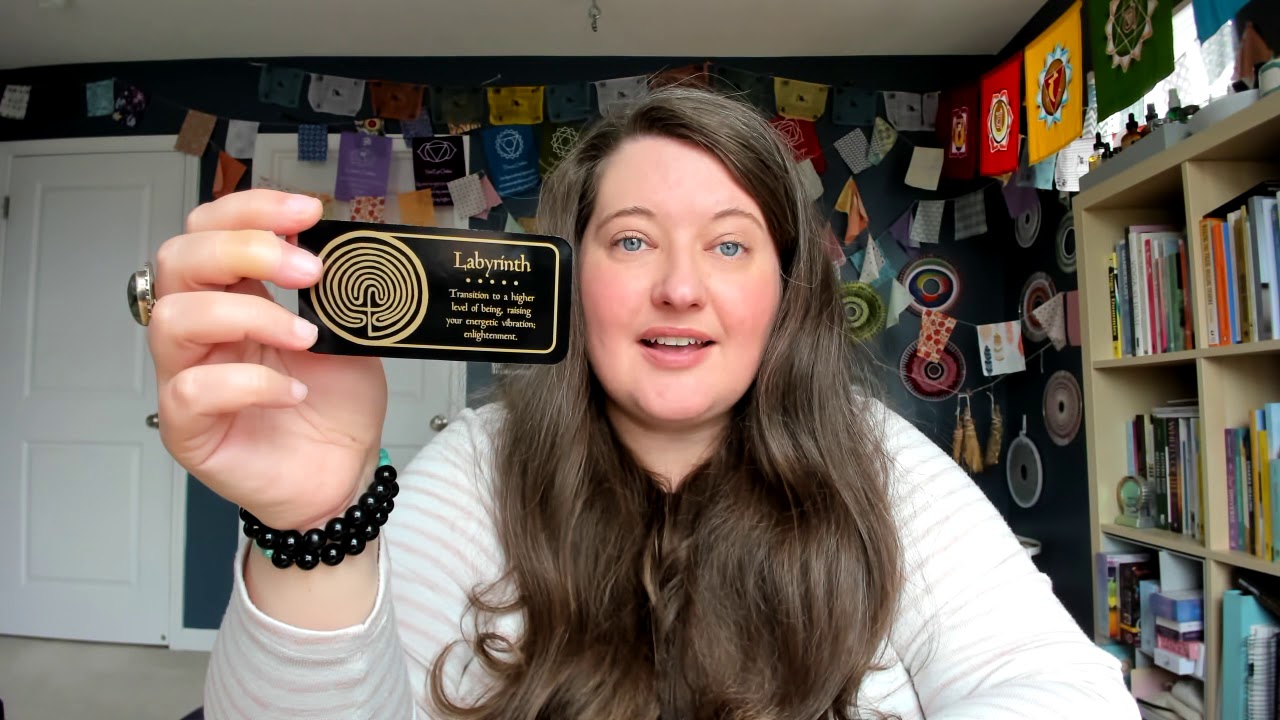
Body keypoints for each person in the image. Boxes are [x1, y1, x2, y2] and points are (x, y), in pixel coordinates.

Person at [137, 87, 1139, 719]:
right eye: (630, 240)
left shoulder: (877, 462)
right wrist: (312, 528)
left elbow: (1060, 690)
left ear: (783, 288)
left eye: (729, 243)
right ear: (572, 275)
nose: (679, 288)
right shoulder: (477, 468)